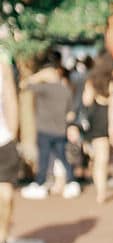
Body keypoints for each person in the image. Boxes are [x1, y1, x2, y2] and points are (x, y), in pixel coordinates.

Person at [21, 52, 81, 198]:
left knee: (44, 159)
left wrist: (38, 76)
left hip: (45, 129)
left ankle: (40, 184)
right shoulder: (65, 90)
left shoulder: (43, 88)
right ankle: (71, 182)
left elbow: (24, 85)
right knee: (63, 157)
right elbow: (71, 113)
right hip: (60, 129)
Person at [78, 57, 113, 204]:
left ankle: (101, 193)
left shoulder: (91, 81)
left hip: (97, 120)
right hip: (111, 118)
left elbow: (86, 101)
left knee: (101, 159)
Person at [0, 55, 22, 243]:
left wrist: (13, 133)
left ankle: (3, 239)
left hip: (3, 141)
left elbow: (10, 98)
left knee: (6, 196)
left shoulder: (2, 65)